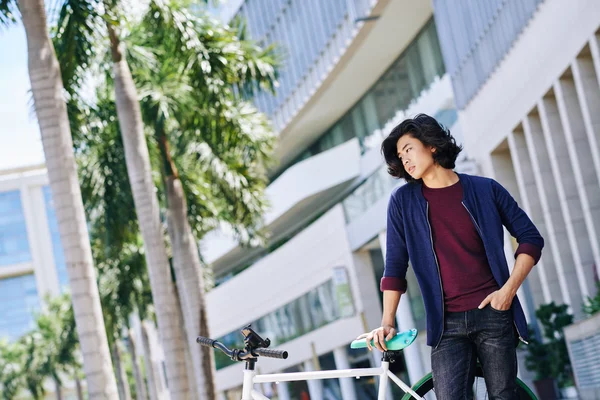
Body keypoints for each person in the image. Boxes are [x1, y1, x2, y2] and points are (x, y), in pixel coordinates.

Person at [360, 114, 544, 399]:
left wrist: (507, 292)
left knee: (503, 396)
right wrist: (387, 321)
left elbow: (531, 239)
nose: (405, 160)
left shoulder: (485, 190)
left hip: (494, 315)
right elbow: (395, 267)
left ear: (432, 145)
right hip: (446, 324)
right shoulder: (403, 202)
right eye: (400, 156)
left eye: (408, 149)